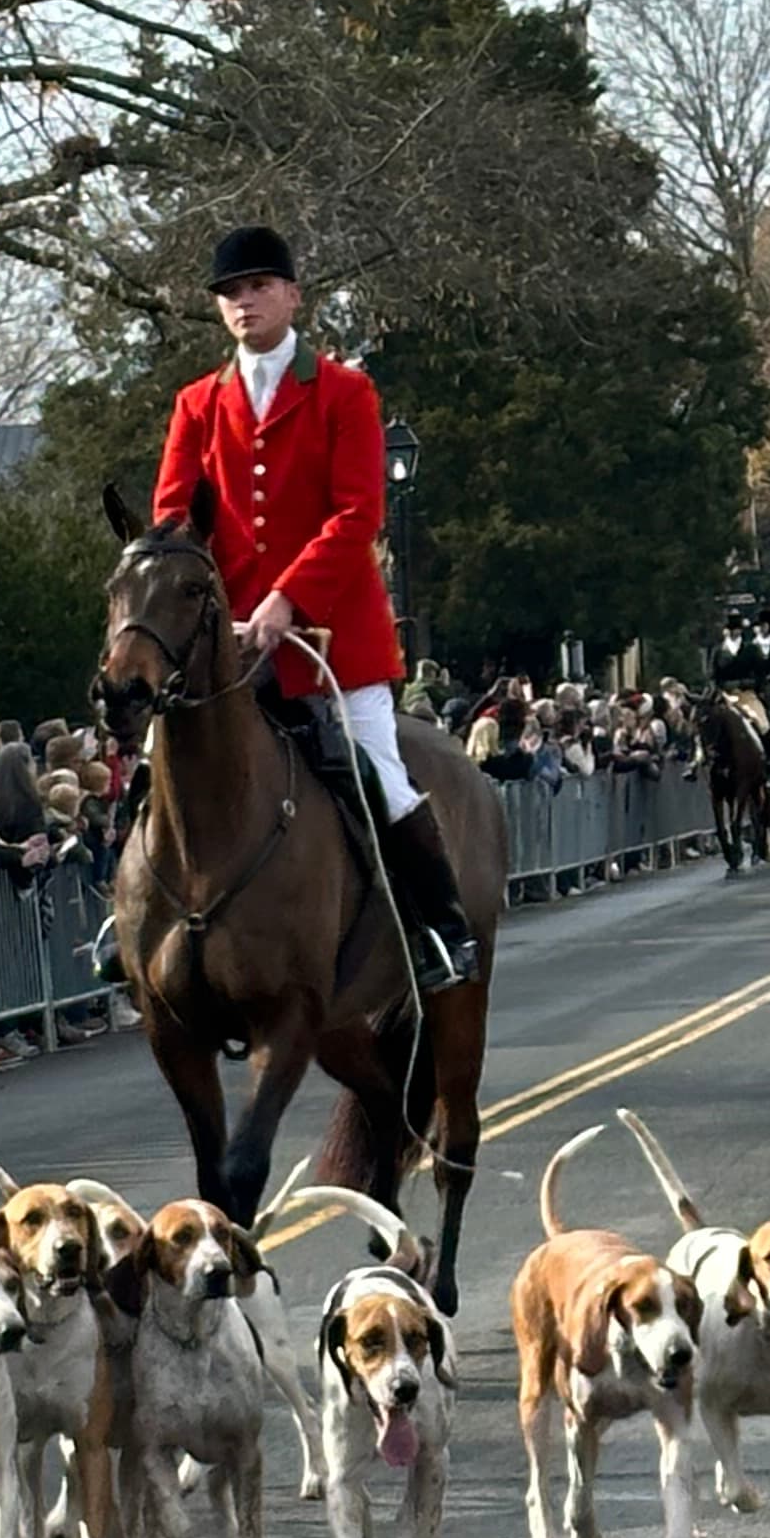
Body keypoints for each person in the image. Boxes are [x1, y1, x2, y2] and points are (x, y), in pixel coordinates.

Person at [149, 222, 478, 987]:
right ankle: (135, 920)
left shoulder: (345, 392)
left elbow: (357, 513)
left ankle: (441, 929)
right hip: (228, 639)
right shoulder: (197, 404)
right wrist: (198, 601)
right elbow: (174, 518)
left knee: (378, 776)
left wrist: (286, 599)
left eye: (259, 286)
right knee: (156, 765)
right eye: (231, 292)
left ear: (293, 296)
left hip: (334, 638)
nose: (244, 302)